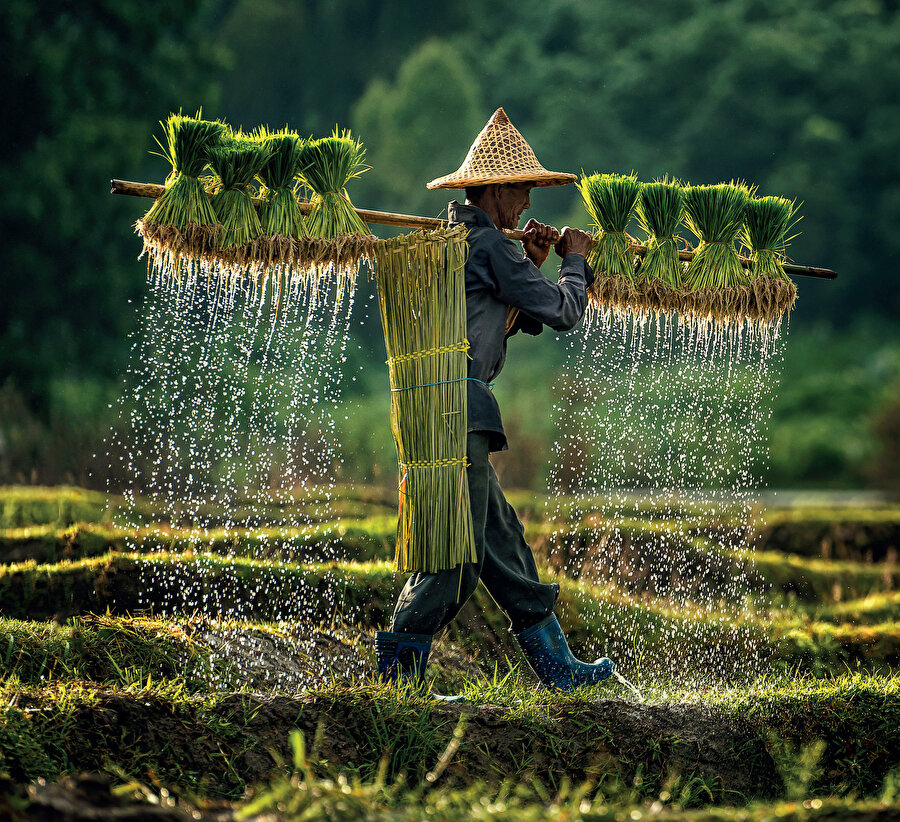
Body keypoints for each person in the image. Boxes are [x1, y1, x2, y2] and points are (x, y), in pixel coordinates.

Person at [375, 108, 615, 692]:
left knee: (501, 539)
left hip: (435, 408)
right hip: (459, 413)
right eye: (523, 188)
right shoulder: (488, 246)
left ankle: (558, 669)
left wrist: (528, 263)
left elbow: (488, 325)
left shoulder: (455, 244)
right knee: (456, 559)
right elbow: (561, 311)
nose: (528, 202)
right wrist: (574, 261)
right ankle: (397, 681)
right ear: (497, 188)